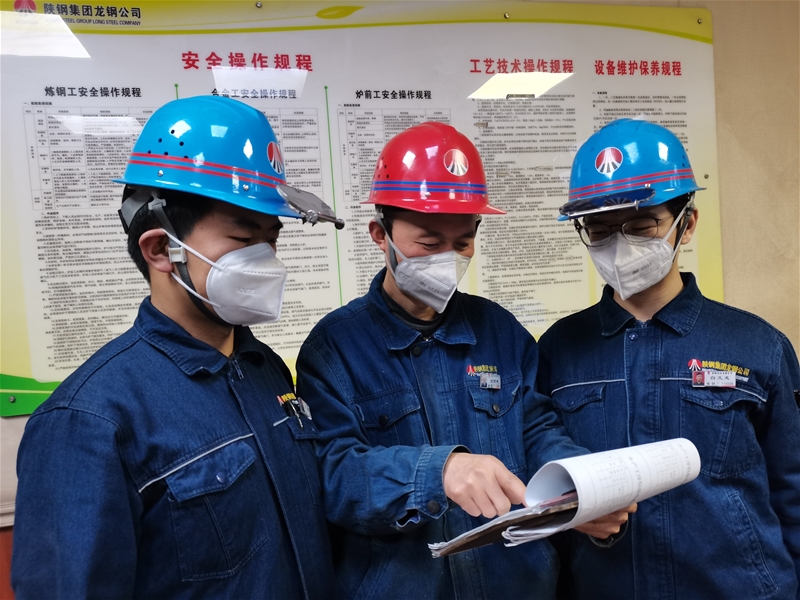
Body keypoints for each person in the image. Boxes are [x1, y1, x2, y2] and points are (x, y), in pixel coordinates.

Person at [12, 96, 336, 599]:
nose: (266, 261)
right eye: (242, 239)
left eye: (271, 240)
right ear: (161, 248)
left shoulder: (263, 367)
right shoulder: (89, 422)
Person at [295, 121, 632, 599]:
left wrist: (576, 481)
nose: (447, 259)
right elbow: (334, 474)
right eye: (429, 244)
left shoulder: (499, 330)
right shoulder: (334, 348)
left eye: (462, 243)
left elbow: (536, 429)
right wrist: (437, 473)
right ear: (380, 234)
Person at [537, 118, 800, 599]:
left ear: (687, 223)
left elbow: (794, 489)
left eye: (641, 226)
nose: (619, 245)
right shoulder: (559, 349)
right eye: (598, 230)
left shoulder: (757, 345)